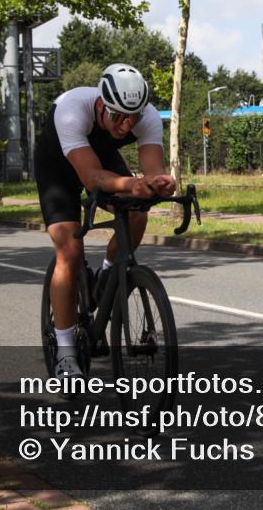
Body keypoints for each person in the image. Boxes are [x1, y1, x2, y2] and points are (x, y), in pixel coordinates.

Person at [35, 63, 175, 381]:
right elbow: (92, 177)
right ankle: (66, 351)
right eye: (118, 117)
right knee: (69, 253)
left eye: (133, 117)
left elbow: (152, 170)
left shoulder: (146, 115)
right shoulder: (71, 110)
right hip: (59, 168)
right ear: (101, 104)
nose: (126, 126)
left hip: (101, 157)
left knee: (139, 209)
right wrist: (132, 184)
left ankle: (108, 275)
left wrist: (161, 183)